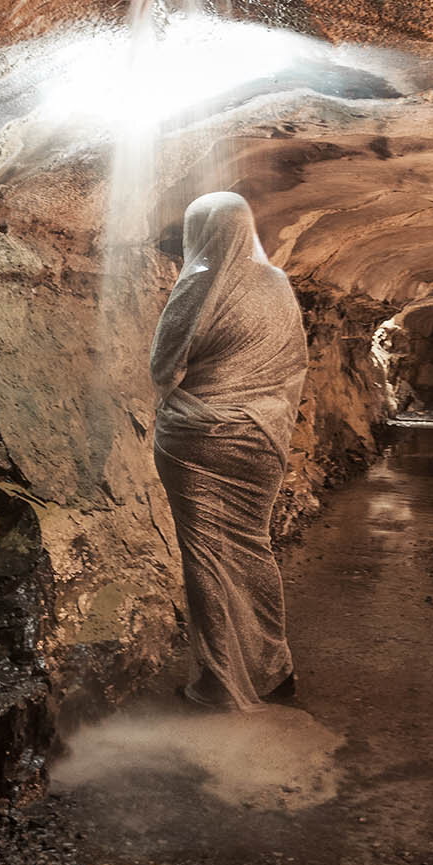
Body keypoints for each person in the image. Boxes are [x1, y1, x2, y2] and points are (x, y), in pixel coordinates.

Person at [150, 191, 308, 711]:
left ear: (199, 231)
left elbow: (164, 369)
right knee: (252, 547)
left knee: (207, 557)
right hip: (261, 438)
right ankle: (274, 670)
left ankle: (219, 681)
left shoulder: (200, 281)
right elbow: (293, 363)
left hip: (198, 442)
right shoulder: (277, 284)